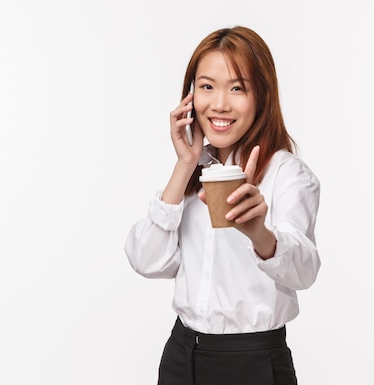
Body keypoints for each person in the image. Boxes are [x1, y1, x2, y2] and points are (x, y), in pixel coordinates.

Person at [125, 25, 321, 385]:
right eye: (207, 86)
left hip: (253, 362)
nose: (219, 104)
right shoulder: (193, 171)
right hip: (181, 356)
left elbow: (305, 271)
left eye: (237, 88)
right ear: (190, 95)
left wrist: (259, 234)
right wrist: (185, 164)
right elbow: (146, 260)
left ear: (261, 95)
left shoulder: (287, 174)